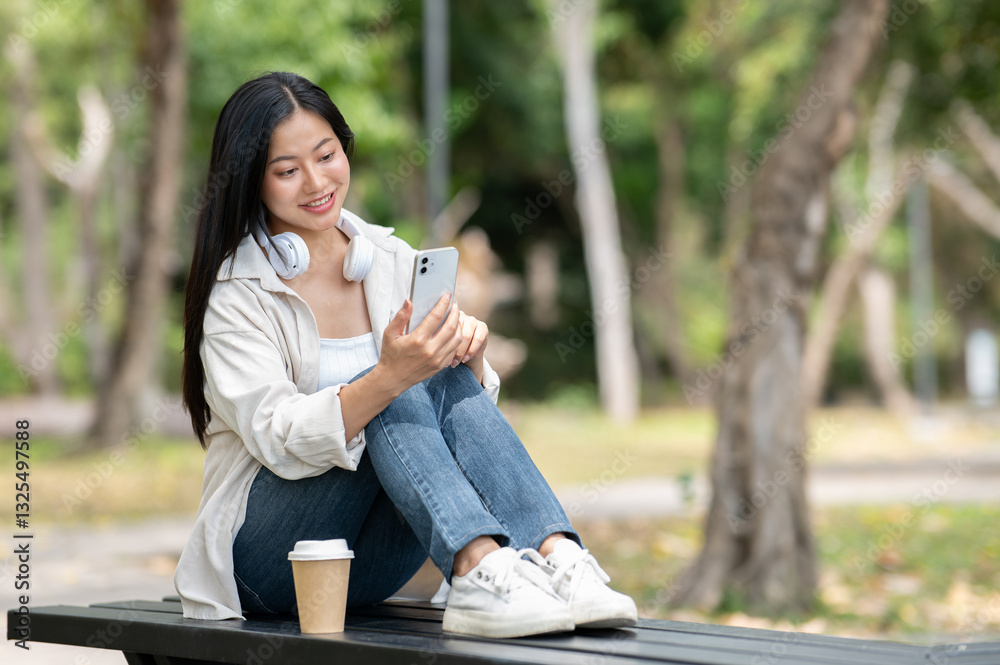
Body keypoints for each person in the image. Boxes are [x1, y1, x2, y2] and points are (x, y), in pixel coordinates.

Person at [174, 71, 637, 639]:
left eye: (327, 155)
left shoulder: (391, 259)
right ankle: (477, 571)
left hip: (375, 563)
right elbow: (278, 438)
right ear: (252, 182)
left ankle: (557, 556)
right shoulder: (237, 293)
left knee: (425, 373)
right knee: (394, 381)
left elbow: (452, 426)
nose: (316, 182)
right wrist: (389, 377)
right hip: (270, 569)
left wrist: (468, 360)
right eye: (288, 171)